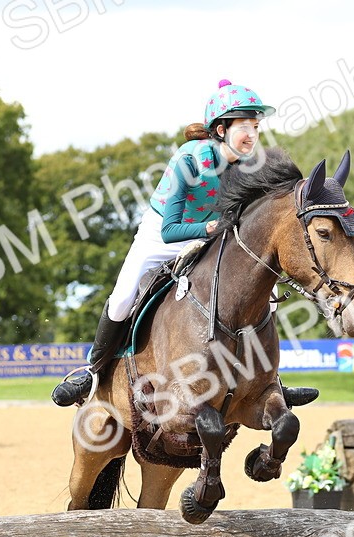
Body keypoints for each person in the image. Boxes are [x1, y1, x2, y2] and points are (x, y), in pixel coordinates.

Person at [52, 79, 276, 407]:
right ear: (221, 130)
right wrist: (211, 227)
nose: (252, 135)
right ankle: (92, 372)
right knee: (122, 297)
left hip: (212, 232)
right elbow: (172, 230)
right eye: (245, 126)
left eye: (256, 126)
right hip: (162, 232)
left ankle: (272, 381)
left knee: (263, 293)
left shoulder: (247, 166)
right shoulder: (189, 160)